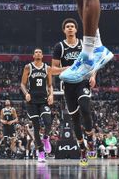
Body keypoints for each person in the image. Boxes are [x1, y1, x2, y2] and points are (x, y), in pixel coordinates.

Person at [49, 18, 97, 165]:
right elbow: (53, 70)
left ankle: (90, 139)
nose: (70, 28)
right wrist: (67, 68)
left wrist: (94, 76)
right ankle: (82, 148)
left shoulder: (83, 44)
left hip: (82, 80)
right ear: (64, 30)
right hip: (68, 84)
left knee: (85, 108)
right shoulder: (59, 47)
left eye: (72, 26)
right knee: (74, 119)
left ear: (76, 30)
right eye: (67, 27)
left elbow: (92, 62)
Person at [20, 49, 53, 163]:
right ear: (33, 55)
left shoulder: (47, 68)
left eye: (40, 52)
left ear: (42, 55)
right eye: (36, 52)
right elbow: (22, 84)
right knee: (36, 126)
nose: (38, 53)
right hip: (32, 101)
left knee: (48, 122)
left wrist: (51, 95)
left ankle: (46, 138)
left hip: (43, 100)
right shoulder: (28, 67)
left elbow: (50, 85)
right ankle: (41, 152)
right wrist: (26, 93)